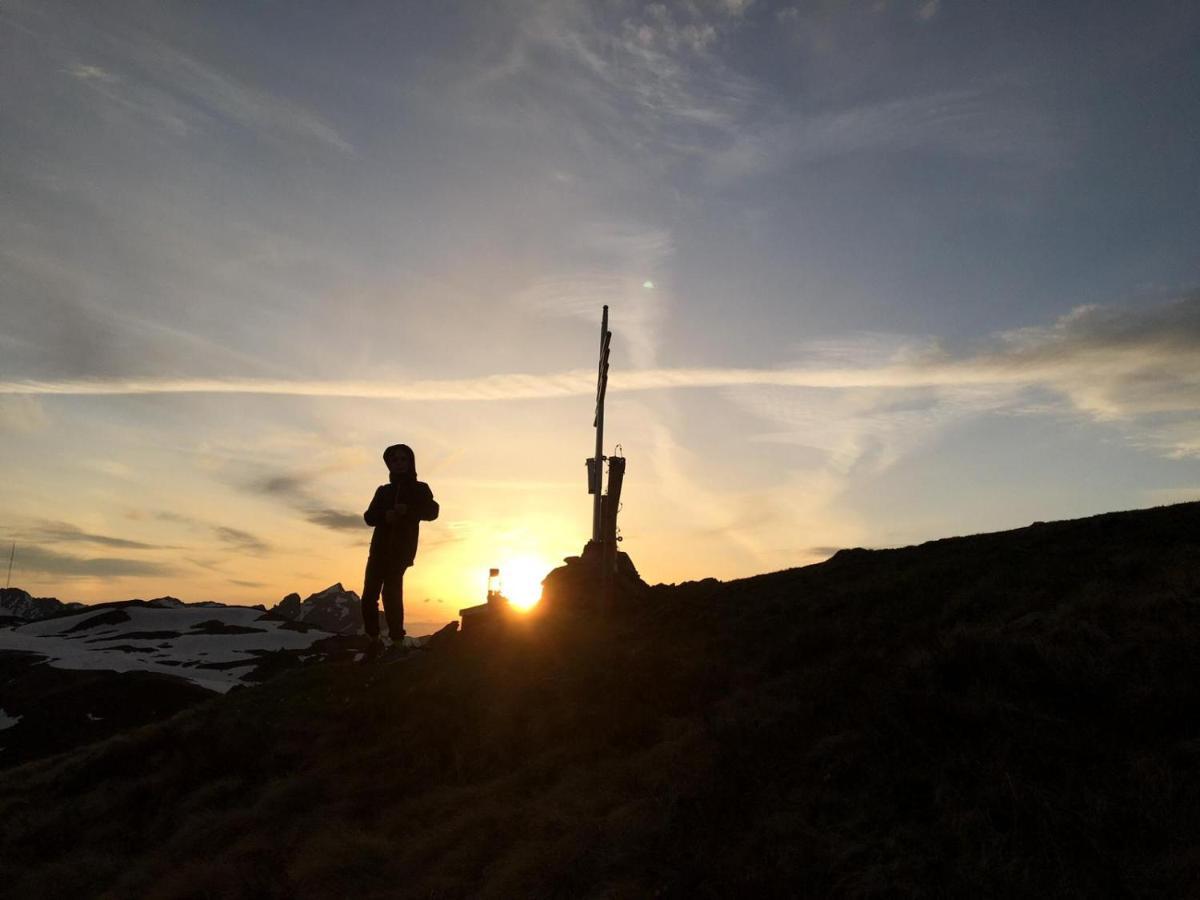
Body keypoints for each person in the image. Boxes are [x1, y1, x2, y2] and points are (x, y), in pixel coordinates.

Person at [362, 443, 439, 659]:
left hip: (401, 550)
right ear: (389, 464)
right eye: (394, 460)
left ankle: (396, 642)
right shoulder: (383, 491)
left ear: (410, 462)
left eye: (403, 459)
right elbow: (369, 517)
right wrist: (385, 515)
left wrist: (409, 511)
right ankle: (374, 641)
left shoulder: (420, 488)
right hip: (378, 549)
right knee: (369, 595)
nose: (399, 463)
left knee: (391, 593)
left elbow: (433, 511)